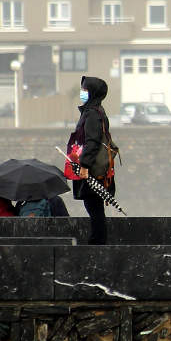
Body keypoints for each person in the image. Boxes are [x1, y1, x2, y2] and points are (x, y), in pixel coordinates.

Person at [68, 76, 115, 245]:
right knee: (94, 206)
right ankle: (97, 240)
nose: (82, 93)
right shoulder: (94, 112)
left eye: (85, 90)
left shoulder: (93, 114)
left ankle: (97, 242)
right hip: (93, 168)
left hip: (93, 170)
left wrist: (85, 165)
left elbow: (92, 141)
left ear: (93, 93)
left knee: (94, 206)